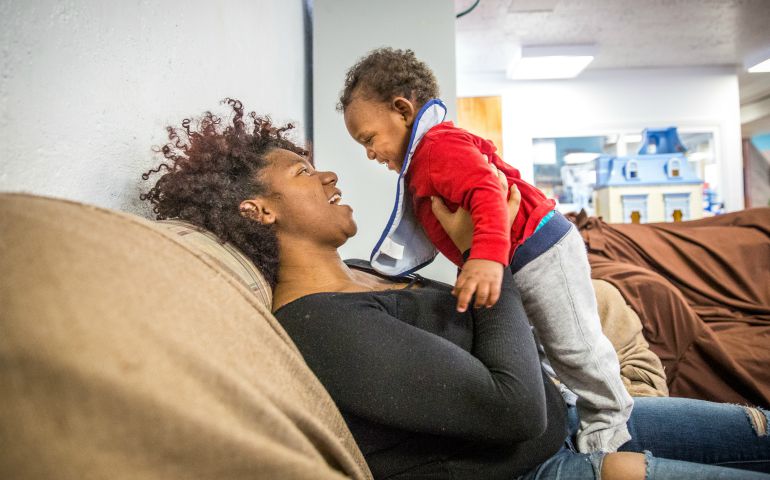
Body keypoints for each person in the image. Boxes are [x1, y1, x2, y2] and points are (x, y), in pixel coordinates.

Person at [141, 99, 770, 480]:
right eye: (304, 172)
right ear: (259, 213)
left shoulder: (366, 268)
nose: (331, 171)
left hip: (575, 417)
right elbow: (512, 408)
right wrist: (486, 251)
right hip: (549, 463)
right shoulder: (319, 326)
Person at [339, 47, 632, 453]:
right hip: (523, 256)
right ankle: (566, 402)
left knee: (574, 344)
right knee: (540, 345)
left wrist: (485, 257)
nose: (370, 153)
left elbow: (487, 191)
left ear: (403, 110)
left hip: (541, 247)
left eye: (369, 139)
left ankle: (610, 419)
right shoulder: (424, 158)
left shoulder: (438, 148)